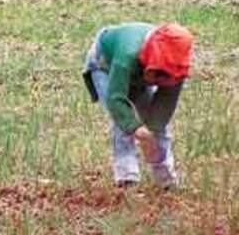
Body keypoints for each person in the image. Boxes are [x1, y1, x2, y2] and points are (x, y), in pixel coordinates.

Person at [82, 22, 193, 188]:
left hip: (138, 72)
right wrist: (136, 129)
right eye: (159, 74)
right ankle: (127, 178)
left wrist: (152, 131)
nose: (161, 80)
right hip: (104, 65)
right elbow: (116, 98)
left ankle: (166, 181)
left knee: (158, 129)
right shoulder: (126, 56)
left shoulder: (176, 67)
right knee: (124, 122)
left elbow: (165, 104)